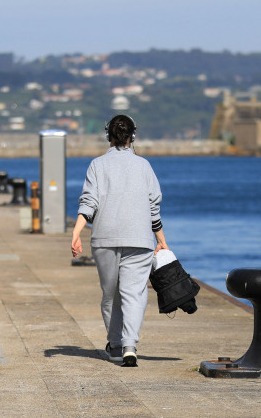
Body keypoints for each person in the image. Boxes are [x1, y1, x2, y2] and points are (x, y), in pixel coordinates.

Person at [71, 114, 168, 367]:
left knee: (110, 295)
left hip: (104, 238)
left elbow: (89, 201)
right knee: (134, 294)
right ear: (132, 136)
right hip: (140, 238)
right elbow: (153, 207)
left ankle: (114, 344)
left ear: (108, 135)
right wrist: (161, 239)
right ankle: (130, 346)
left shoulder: (97, 165)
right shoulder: (144, 166)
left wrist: (77, 231)